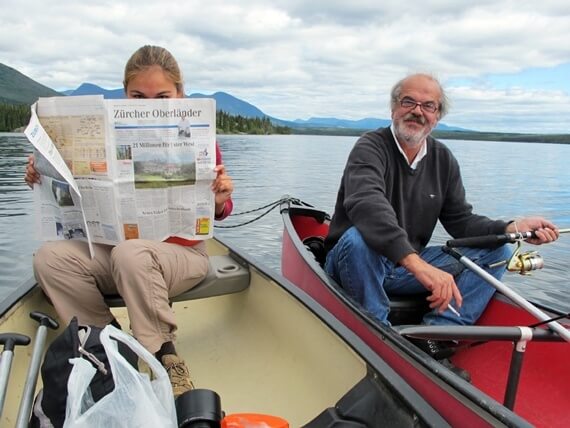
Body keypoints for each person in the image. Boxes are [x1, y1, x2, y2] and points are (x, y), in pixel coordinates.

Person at [24, 45, 234, 397]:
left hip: (179, 259)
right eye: (138, 95)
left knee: (132, 253)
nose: (149, 104)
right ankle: (107, 343)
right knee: (50, 258)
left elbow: (219, 214)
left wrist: (218, 200)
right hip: (117, 254)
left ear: (179, 94)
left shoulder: (197, 136)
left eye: (162, 96)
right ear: (125, 93)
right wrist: (42, 178)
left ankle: (164, 356)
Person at [324, 73, 559, 379]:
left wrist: (513, 226)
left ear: (437, 116)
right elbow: (367, 205)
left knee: (497, 248)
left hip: (402, 268)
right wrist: (419, 266)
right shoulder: (370, 147)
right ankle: (380, 336)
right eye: (408, 101)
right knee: (359, 238)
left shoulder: (442, 159)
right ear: (394, 108)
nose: (417, 111)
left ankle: (436, 336)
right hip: (354, 263)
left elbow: (462, 222)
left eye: (428, 105)